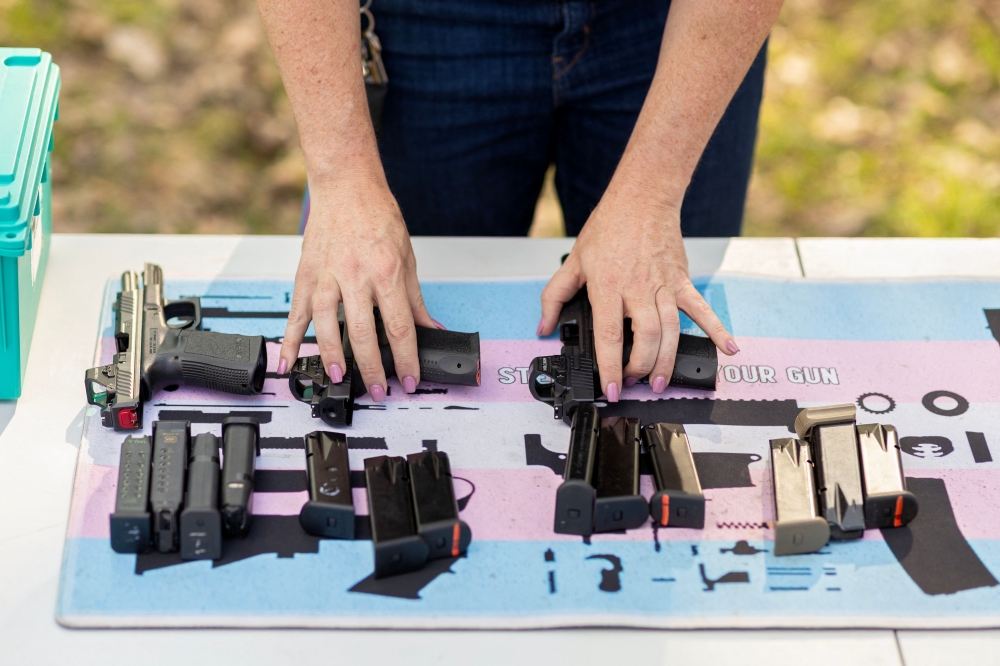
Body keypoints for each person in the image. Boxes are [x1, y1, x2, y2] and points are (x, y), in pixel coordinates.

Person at [258, 0, 783, 401]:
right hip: (423, 26)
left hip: (675, 26)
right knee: (391, 331)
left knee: (661, 338)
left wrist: (652, 196)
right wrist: (342, 176)